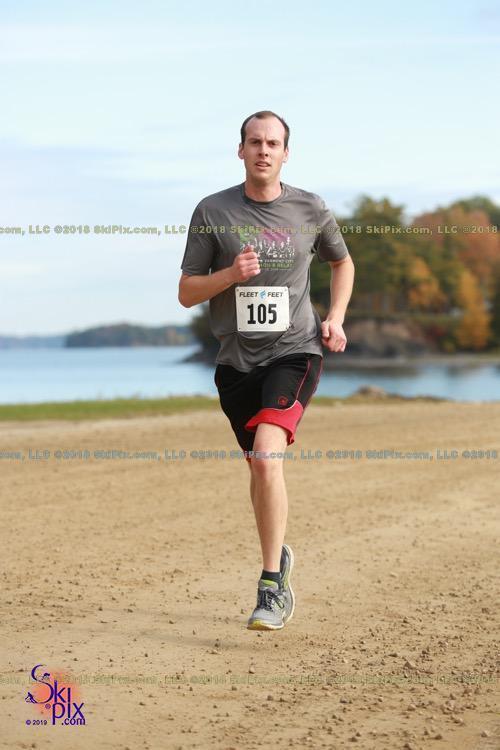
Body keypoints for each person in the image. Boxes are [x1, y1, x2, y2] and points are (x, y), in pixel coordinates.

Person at [178, 110, 355, 630]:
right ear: (240, 151)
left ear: (285, 153)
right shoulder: (212, 211)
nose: (263, 150)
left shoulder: (310, 208)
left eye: (272, 143)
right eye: (254, 142)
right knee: (260, 467)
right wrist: (230, 274)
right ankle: (279, 555)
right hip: (236, 363)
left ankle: (271, 585)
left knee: (265, 459)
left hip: (295, 351)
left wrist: (336, 317)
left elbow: (342, 262)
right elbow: (187, 292)